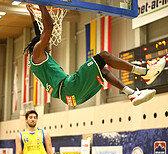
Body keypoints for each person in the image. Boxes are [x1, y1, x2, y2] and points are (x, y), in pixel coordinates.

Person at [24, 5, 166, 106]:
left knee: (103, 69)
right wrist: (42, 3)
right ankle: (145, 72)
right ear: (40, 44)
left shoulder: (37, 59)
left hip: (71, 97)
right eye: (46, 42)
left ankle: (131, 94)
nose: (49, 44)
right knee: (103, 55)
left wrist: (32, 12)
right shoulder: (37, 53)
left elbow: (39, 31)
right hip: (69, 86)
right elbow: (48, 28)